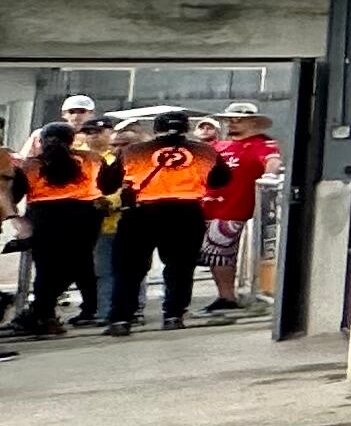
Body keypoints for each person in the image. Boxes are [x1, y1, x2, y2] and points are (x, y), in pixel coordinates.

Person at [101, 112, 211, 335]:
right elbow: (220, 179)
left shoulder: (134, 151)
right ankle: (173, 316)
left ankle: (121, 319)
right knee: (180, 268)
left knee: (128, 269)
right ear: (187, 128)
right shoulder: (204, 151)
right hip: (186, 213)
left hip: (141, 214)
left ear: (155, 130)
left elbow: (107, 184)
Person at [11, 115, 105, 336]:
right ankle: (45, 313)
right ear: (72, 140)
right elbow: (109, 186)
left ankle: (42, 314)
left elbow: (14, 195)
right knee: (79, 265)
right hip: (84, 219)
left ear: (42, 141)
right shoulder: (92, 159)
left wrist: (18, 221)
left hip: (44, 220)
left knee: (46, 270)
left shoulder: (29, 165)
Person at [200, 101, 277, 316]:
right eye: (230, 120)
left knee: (219, 252)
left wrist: (270, 175)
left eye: (239, 120)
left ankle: (227, 297)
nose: (232, 123)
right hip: (209, 206)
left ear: (253, 122)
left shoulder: (261, 144)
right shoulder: (219, 146)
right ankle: (225, 295)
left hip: (234, 208)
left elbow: (272, 161)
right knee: (214, 254)